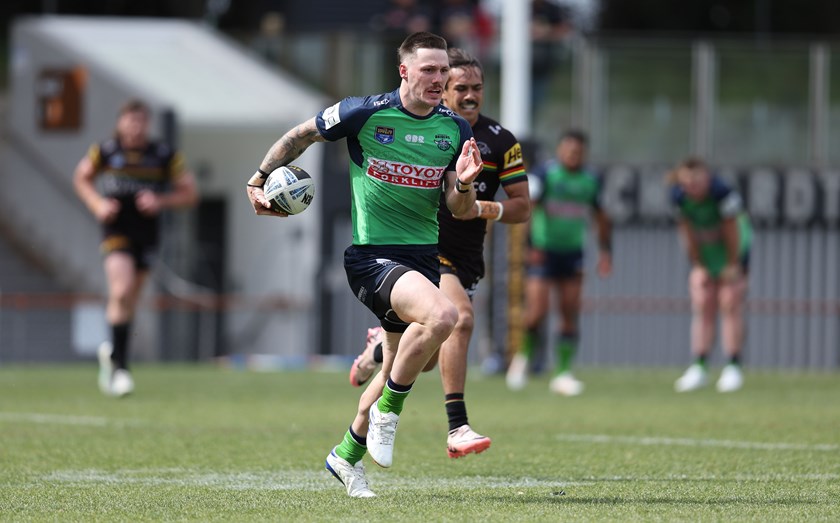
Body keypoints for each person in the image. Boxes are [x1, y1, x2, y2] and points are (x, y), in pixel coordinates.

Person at [245, 32, 483, 498]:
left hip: (422, 259)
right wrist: (257, 179)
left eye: (443, 71)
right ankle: (387, 415)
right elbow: (301, 135)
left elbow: (456, 207)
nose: (439, 79)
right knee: (444, 316)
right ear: (405, 71)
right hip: (373, 257)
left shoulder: (455, 130)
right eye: (429, 70)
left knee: (412, 360)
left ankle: (346, 456)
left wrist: (469, 184)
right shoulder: (365, 112)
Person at [347, 48, 530, 459]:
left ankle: (359, 420)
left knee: (423, 360)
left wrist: (480, 206)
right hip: (426, 253)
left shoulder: (500, 141)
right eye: (459, 87)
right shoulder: (430, 130)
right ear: (442, 90)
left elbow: (522, 206)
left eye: (477, 88)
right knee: (458, 319)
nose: (469, 95)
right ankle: (457, 425)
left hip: (467, 259)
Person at [74, 98, 199, 397]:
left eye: (141, 120)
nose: (136, 126)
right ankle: (121, 367)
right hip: (116, 230)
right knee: (120, 290)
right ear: (120, 122)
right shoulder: (105, 151)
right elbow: (82, 178)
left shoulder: (163, 155)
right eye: (130, 120)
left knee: (130, 299)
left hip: (147, 233)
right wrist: (97, 203)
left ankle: (113, 356)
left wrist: (161, 201)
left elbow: (190, 193)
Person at [505, 129, 612, 396]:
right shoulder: (545, 175)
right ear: (560, 150)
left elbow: (601, 216)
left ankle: (563, 372)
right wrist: (530, 246)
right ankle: (522, 359)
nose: (572, 155)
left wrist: (606, 251)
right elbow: (529, 208)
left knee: (569, 310)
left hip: (573, 253)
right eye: (568, 150)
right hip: (544, 252)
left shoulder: (591, 180)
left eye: (577, 151)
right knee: (537, 311)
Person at [669, 157, 752, 393]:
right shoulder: (678, 197)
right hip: (706, 251)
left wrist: (733, 265)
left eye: (697, 180)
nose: (692, 186)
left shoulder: (722, 193)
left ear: (706, 178)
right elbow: (687, 233)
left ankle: (733, 366)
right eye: (687, 181)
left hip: (733, 248)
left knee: (729, 301)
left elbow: (732, 231)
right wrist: (698, 265)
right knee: (703, 302)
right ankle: (699, 366)